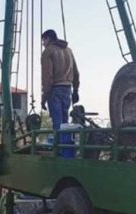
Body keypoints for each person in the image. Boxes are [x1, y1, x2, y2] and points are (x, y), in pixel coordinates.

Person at [41, 29, 80, 157]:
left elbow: (47, 77)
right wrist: (76, 90)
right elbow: (76, 73)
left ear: (48, 39)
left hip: (55, 90)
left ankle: (59, 153)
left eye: (43, 40)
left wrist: (44, 97)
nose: (43, 44)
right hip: (67, 89)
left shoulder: (48, 52)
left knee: (57, 123)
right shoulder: (68, 51)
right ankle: (68, 153)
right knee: (65, 123)